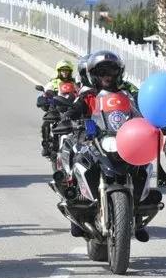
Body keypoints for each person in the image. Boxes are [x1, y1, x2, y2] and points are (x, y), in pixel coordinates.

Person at [58, 50, 150, 242]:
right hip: (94, 138)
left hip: (124, 139)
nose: (107, 76)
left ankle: (139, 213)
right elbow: (75, 108)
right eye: (102, 72)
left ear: (118, 73)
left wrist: (150, 118)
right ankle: (75, 203)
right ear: (94, 74)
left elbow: (142, 106)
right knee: (77, 155)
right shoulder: (87, 94)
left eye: (111, 71)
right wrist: (68, 116)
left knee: (144, 164)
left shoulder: (128, 92)